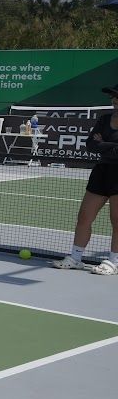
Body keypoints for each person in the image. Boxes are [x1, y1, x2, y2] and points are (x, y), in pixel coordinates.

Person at [50, 83, 118, 275]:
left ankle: (114, 262)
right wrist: (110, 146)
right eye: (113, 97)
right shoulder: (104, 119)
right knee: (84, 217)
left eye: (117, 97)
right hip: (101, 172)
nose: (114, 100)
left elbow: (100, 146)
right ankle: (75, 258)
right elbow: (91, 145)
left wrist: (103, 144)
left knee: (117, 220)